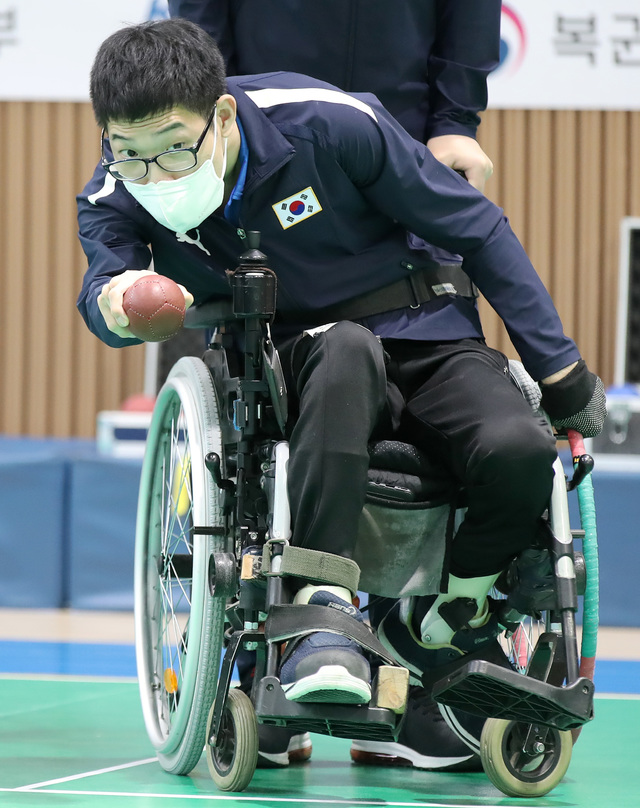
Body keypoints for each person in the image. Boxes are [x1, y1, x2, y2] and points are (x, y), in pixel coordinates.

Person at [77, 20, 606, 775]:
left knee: (520, 448)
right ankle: (322, 614)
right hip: (307, 361)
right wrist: (120, 300)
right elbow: (104, 289)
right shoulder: (114, 190)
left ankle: (452, 611)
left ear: (221, 117)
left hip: (428, 329)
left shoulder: (330, 123)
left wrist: (559, 371)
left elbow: (476, 226)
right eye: (129, 152)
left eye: (172, 148)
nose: (154, 174)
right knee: (345, 347)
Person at [168, 0, 502, 771]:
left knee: (427, 417)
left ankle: (402, 674)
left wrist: (458, 119)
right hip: (258, 155)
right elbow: (198, 32)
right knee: (261, 412)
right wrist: (210, 133)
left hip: (401, 157)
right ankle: (269, 658)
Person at [168, 0, 499, 193]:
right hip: (260, 140)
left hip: (406, 138)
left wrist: (454, 123)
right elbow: (200, 17)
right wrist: (220, 113)